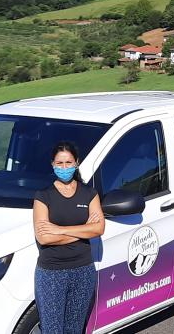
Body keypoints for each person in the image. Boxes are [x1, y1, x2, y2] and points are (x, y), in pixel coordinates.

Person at [33, 143, 105, 334]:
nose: (64, 167)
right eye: (60, 163)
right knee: (52, 330)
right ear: (52, 164)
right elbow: (44, 237)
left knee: (75, 329)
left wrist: (59, 230)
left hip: (83, 270)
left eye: (68, 162)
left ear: (76, 163)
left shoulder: (89, 193)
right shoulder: (43, 196)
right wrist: (83, 230)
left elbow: (98, 229)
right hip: (52, 274)